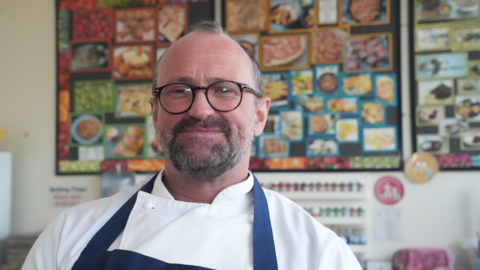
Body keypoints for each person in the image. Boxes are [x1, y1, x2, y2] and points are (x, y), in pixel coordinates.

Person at [22, 21, 362, 270]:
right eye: (179, 90)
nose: (200, 110)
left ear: (260, 115)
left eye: (226, 90)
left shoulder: (320, 255)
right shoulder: (70, 234)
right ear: (155, 113)